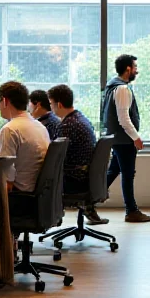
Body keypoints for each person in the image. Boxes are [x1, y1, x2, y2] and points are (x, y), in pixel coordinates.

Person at [101, 54, 150, 223]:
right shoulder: (122, 89)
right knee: (128, 174)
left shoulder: (111, 86)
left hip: (116, 138)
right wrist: (136, 137)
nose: (136, 71)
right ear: (128, 69)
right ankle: (131, 211)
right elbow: (123, 117)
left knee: (114, 170)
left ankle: (89, 201)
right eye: (135, 67)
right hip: (124, 140)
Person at [47, 84, 106, 226]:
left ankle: (47, 220)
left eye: (51, 104)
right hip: (85, 177)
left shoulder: (68, 125)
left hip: (74, 180)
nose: (51, 108)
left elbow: (57, 157)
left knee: (39, 180)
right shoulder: (81, 118)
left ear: (59, 104)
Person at [0, 81, 49, 205]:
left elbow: (6, 175)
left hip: (20, 194)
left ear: (5, 101)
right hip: (38, 192)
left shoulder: (10, 129)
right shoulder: (39, 126)